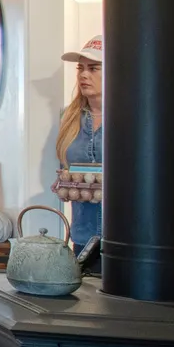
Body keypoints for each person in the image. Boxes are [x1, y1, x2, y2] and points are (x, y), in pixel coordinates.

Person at [53, 36, 103, 249]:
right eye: (80, 68)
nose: (83, 74)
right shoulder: (69, 117)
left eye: (93, 68)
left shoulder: (132, 117)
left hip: (127, 238)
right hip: (82, 237)